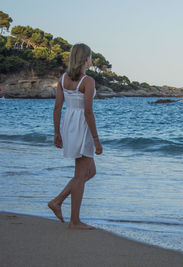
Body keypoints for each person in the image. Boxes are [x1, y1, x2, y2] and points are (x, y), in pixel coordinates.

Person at [48, 43, 102, 230]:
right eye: (90, 57)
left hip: (69, 125)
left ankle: (58, 200)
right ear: (86, 59)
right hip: (83, 127)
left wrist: (57, 132)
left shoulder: (63, 79)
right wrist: (96, 139)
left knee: (90, 172)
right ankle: (75, 221)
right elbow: (88, 112)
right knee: (80, 176)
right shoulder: (88, 81)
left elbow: (57, 108)